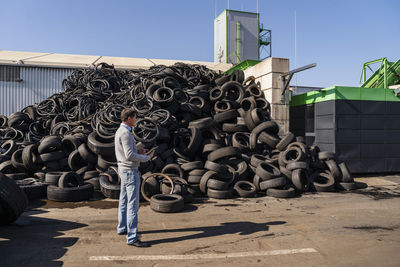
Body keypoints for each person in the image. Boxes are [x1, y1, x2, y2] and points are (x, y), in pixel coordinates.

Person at [114, 108, 154, 247]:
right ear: (129, 118)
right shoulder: (125, 133)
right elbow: (129, 155)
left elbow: (128, 151)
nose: (136, 120)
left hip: (124, 170)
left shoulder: (120, 131)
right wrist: (146, 157)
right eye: (135, 117)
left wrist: (138, 150)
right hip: (130, 171)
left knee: (124, 201)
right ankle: (132, 238)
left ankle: (122, 228)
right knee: (133, 205)